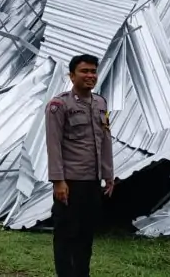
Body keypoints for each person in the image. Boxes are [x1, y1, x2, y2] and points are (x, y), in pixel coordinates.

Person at [45, 53, 115, 277]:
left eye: (93, 71)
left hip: (91, 182)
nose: (90, 75)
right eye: (84, 71)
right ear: (72, 75)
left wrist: (109, 175)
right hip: (70, 183)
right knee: (66, 235)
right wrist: (58, 181)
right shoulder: (59, 105)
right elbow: (53, 144)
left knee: (86, 235)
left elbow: (105, 141)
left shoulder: (100, 103)